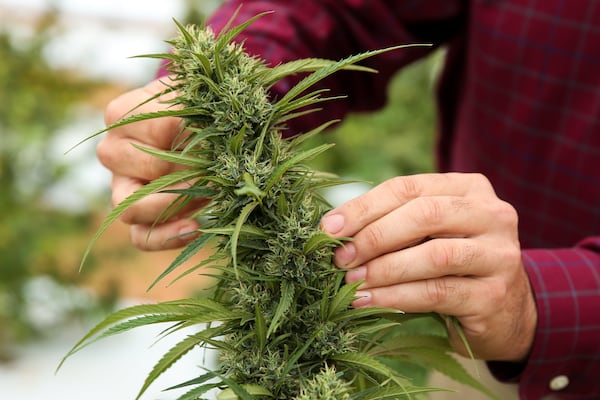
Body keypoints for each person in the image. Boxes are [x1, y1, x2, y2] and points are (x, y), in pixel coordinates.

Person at [96, 1, 600, 398]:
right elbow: (342, 7)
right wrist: (214, 93)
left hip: (537, 324)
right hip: (478, 327)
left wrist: (539, 306)